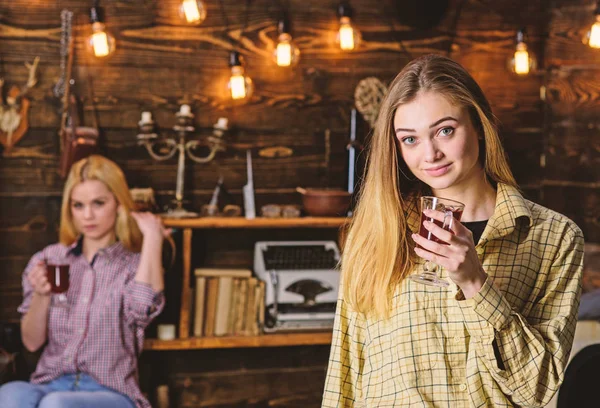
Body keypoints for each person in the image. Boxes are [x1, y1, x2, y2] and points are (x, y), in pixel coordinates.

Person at [322, 54, 585, 407]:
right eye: (410, 139)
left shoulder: (555, 238)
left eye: (445, 130)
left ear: (478, 124)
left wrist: (475, 282)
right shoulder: (375, 232)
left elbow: (535, 389)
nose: (430, 154)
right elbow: (346, 369)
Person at [0, 155, 169, 408]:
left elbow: (143, 310)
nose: (87, 215)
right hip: (51, 382)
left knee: (56, 405)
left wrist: (153, 239)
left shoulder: (133, 264)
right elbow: (32, 342)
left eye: (98, 203)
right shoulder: (51, 259)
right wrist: (41, 295)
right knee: (10, 396)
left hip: (111, 390)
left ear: (118, 204)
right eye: (78, 205)